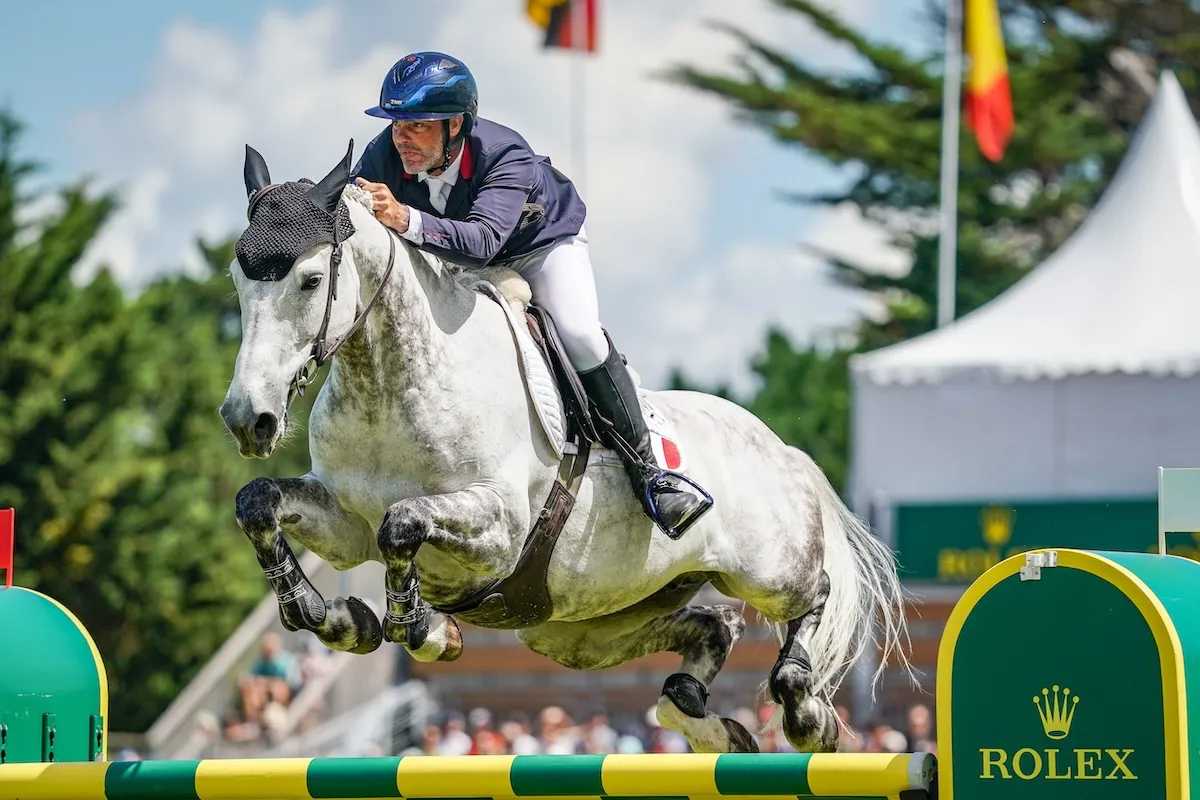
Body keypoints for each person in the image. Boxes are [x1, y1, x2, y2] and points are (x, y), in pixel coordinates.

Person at [350, 51, 710, 537]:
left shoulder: (505, 154)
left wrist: (405, 219)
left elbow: (480, 243)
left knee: (579, 333)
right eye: (396, 124)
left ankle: (650, 475)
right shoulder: (385, 154)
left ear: (455, 124)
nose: (401, 138)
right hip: (450, 250)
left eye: (417, 126)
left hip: (538, 247)